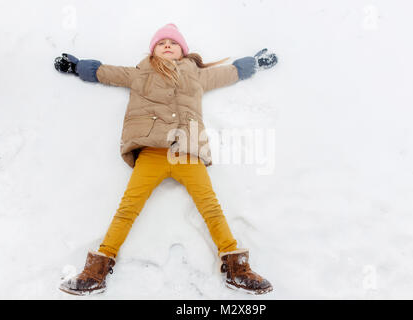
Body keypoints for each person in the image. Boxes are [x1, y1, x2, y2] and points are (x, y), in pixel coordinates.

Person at [55, 23, 278, 296]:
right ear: (153, 50)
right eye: (162, 43)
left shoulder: (196, 75)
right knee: (127, 208)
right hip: (151, 152)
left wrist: (254, 63)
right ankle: (96, 271)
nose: (168, 45)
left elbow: (229, 73)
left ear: (182, 51)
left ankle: (237, 268)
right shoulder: (140, 73)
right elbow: (106, 72)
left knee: (211, 206)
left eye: (173, 43)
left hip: (188, 153)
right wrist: (78, 67)